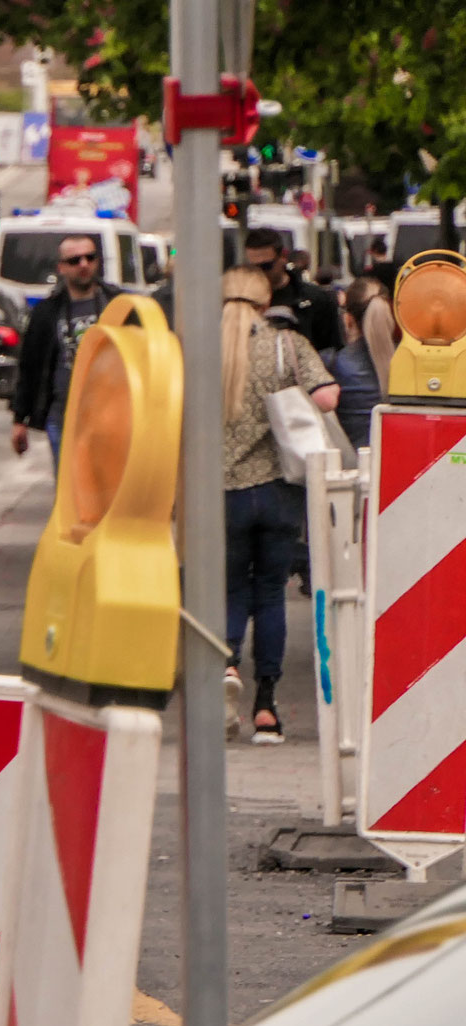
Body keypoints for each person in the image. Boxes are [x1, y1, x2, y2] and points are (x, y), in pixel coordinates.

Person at [219, 266, 334, 745]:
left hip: (220, 493)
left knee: (227, 588)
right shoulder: (288, 345)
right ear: (267, 302)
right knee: (269, 593)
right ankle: (266, 706)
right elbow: (328, 396)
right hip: (277, 492)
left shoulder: (199, 348)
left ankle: (225, 664)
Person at [11, 235, 126, 466]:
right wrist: (19, 419)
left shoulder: (119, 303)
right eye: (74, 260)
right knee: (70, 489)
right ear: (61, 268)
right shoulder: (47, 312)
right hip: (64, 416)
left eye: (89, 257)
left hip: (113, 414)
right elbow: (30, 366)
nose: (84, 264)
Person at [319, 276, 393, 448]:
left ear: (348, 319)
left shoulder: (331, 362)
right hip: (396, 464)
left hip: (348, 466)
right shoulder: (409, 364)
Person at [242, 228, 341, 355]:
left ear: (283, 256)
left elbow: (330, 352)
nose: (260, 273)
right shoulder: (242, 301)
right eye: (253, 268)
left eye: (266, 266)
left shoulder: (314, 299)